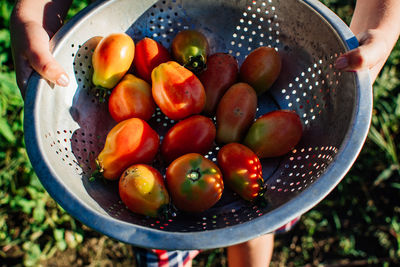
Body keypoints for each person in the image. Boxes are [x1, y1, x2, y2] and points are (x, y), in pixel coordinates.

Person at [10, 0, 400, 266]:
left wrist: (381, 27)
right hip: (159, 182)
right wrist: (32, 15)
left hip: (230, 148)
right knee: (165, 245)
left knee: (253, 225)